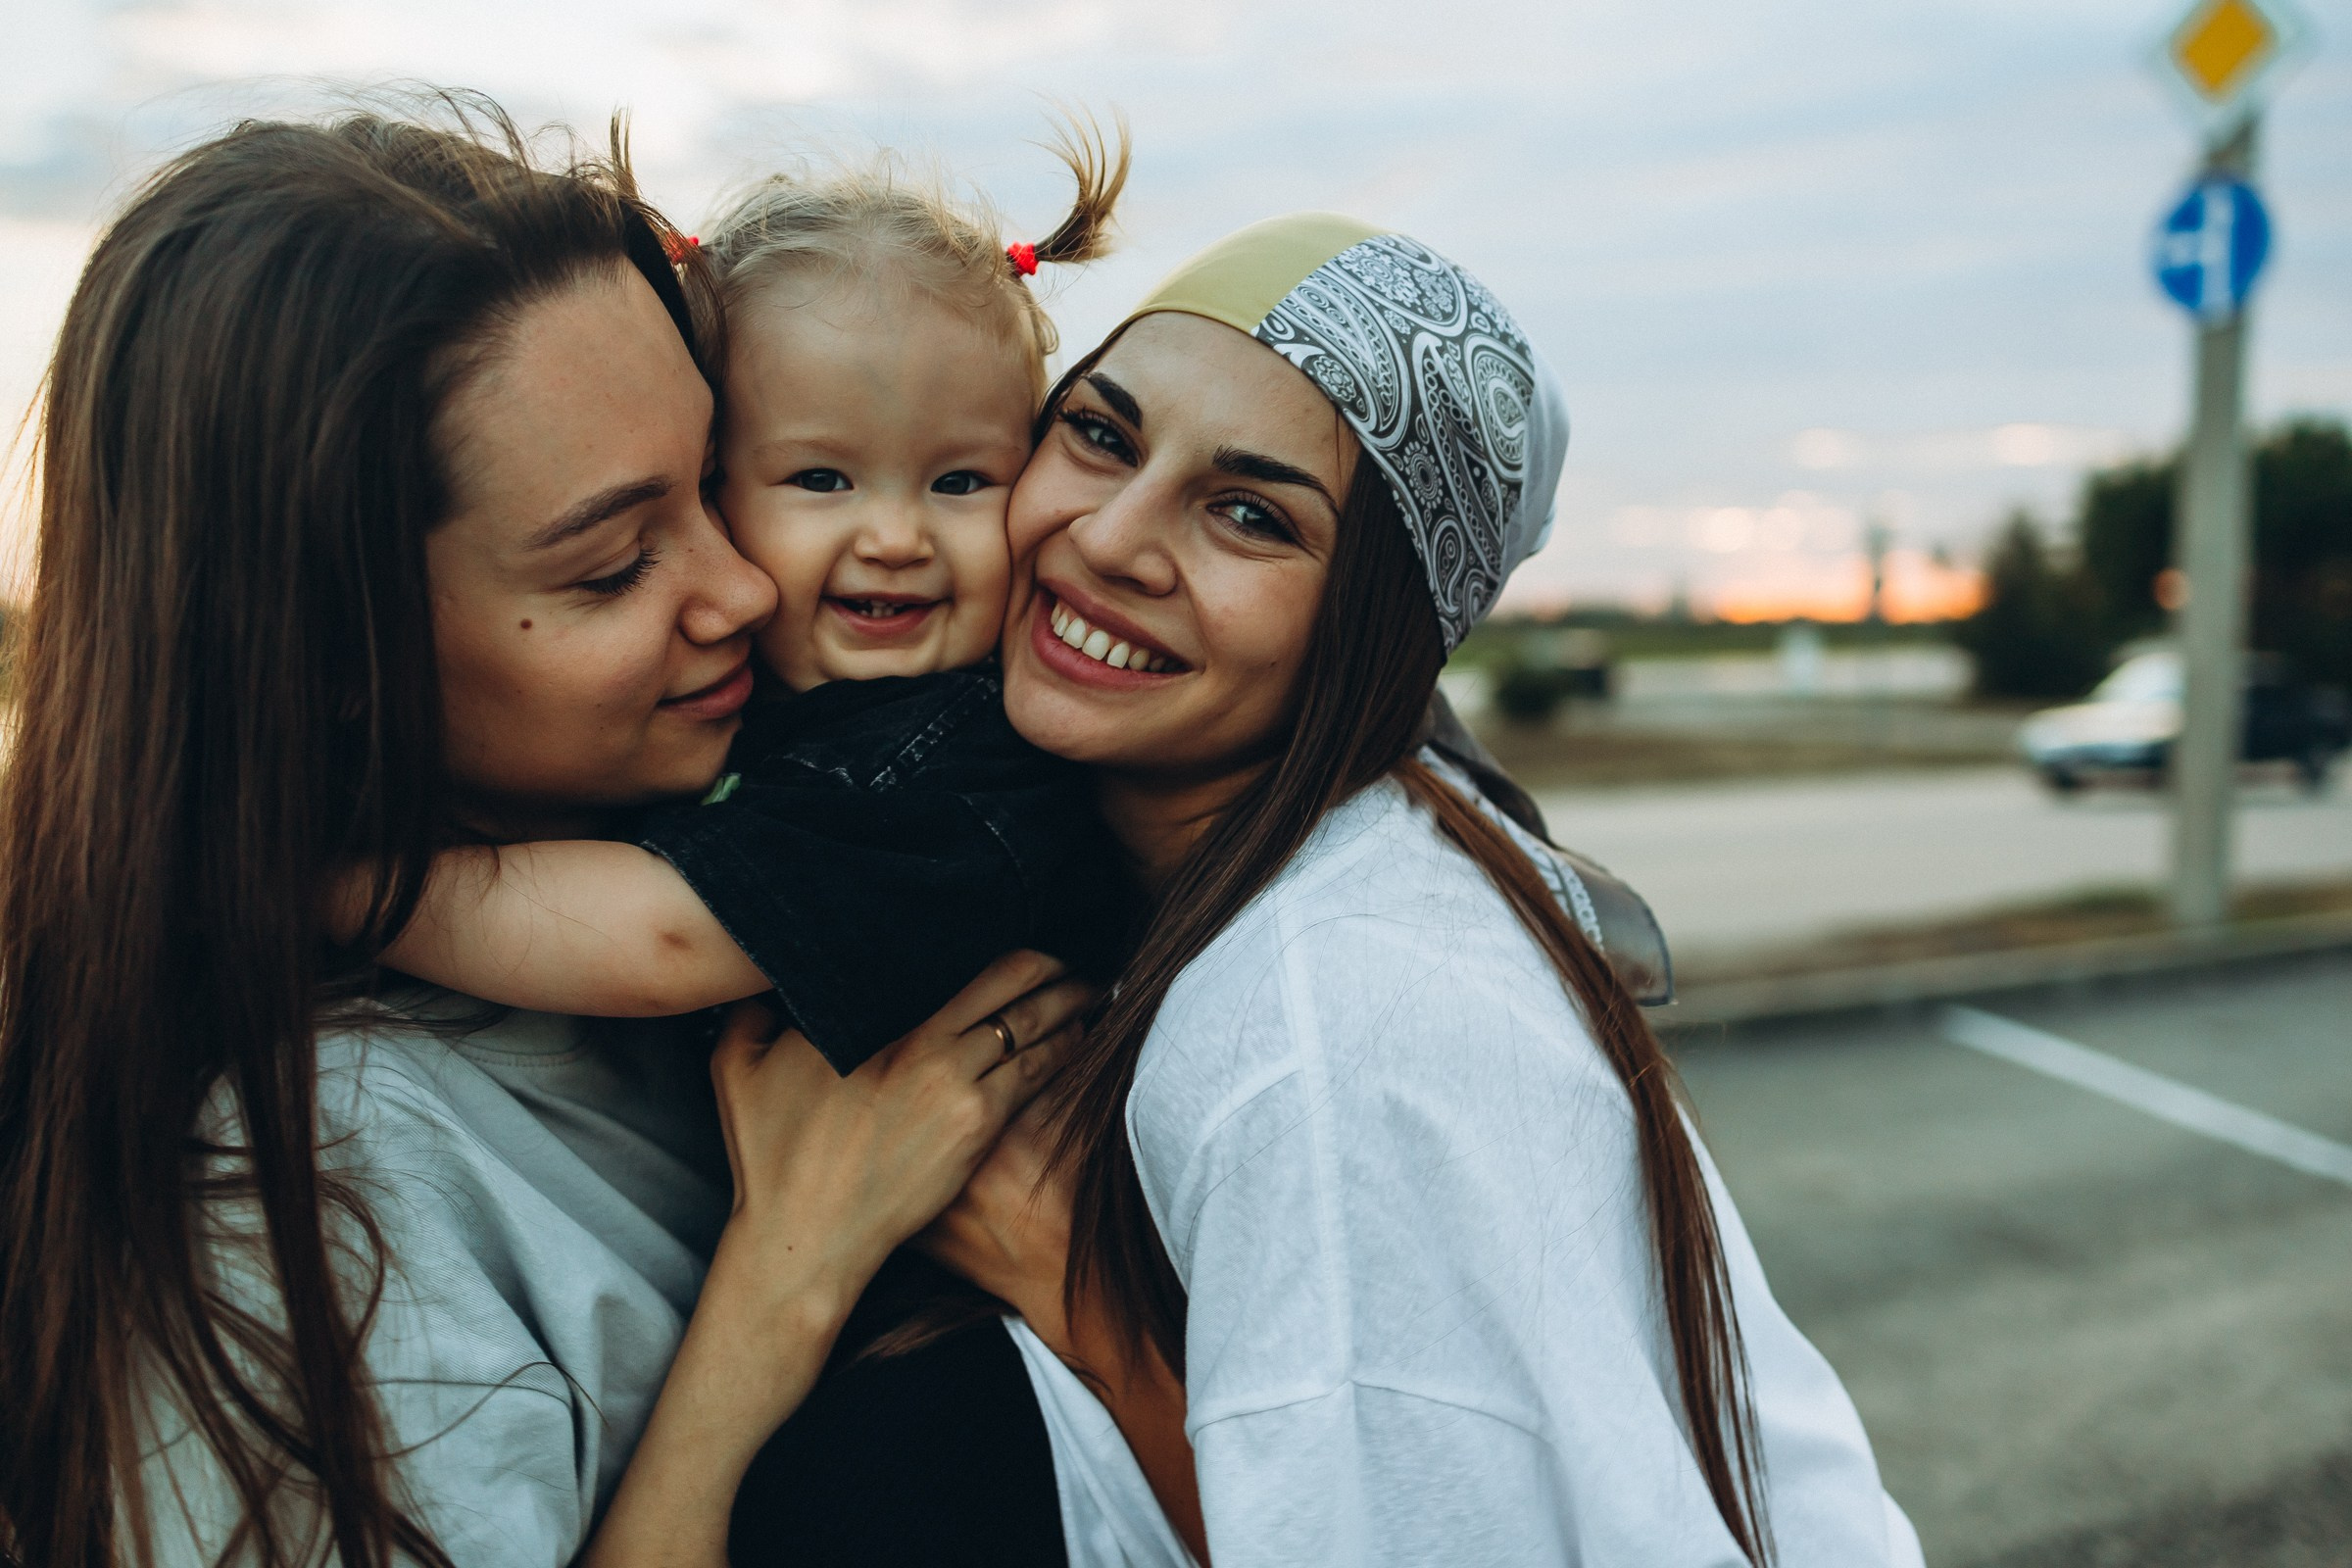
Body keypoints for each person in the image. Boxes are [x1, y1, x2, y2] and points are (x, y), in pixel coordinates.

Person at [0, 98, 1083, 1568]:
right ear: (328, 660)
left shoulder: (753, 834)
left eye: (718, 484)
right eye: (617, 563)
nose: (747, 590)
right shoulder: (309, 1211)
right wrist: (782, 1289)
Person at [914, 214, 1929, 1566]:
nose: (1111, 537)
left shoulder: (1322, 1033)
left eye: (1250, 514)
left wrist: (1076, 1297)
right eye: (1102, 433)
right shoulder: (1380, 867)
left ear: (1376, 628)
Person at [368, 122, 1142, 1074]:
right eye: (821, 480)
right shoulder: (766, 710)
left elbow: (663, 939)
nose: (897, 540)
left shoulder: (959, 761)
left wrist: (339, 884)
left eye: (961, 482)